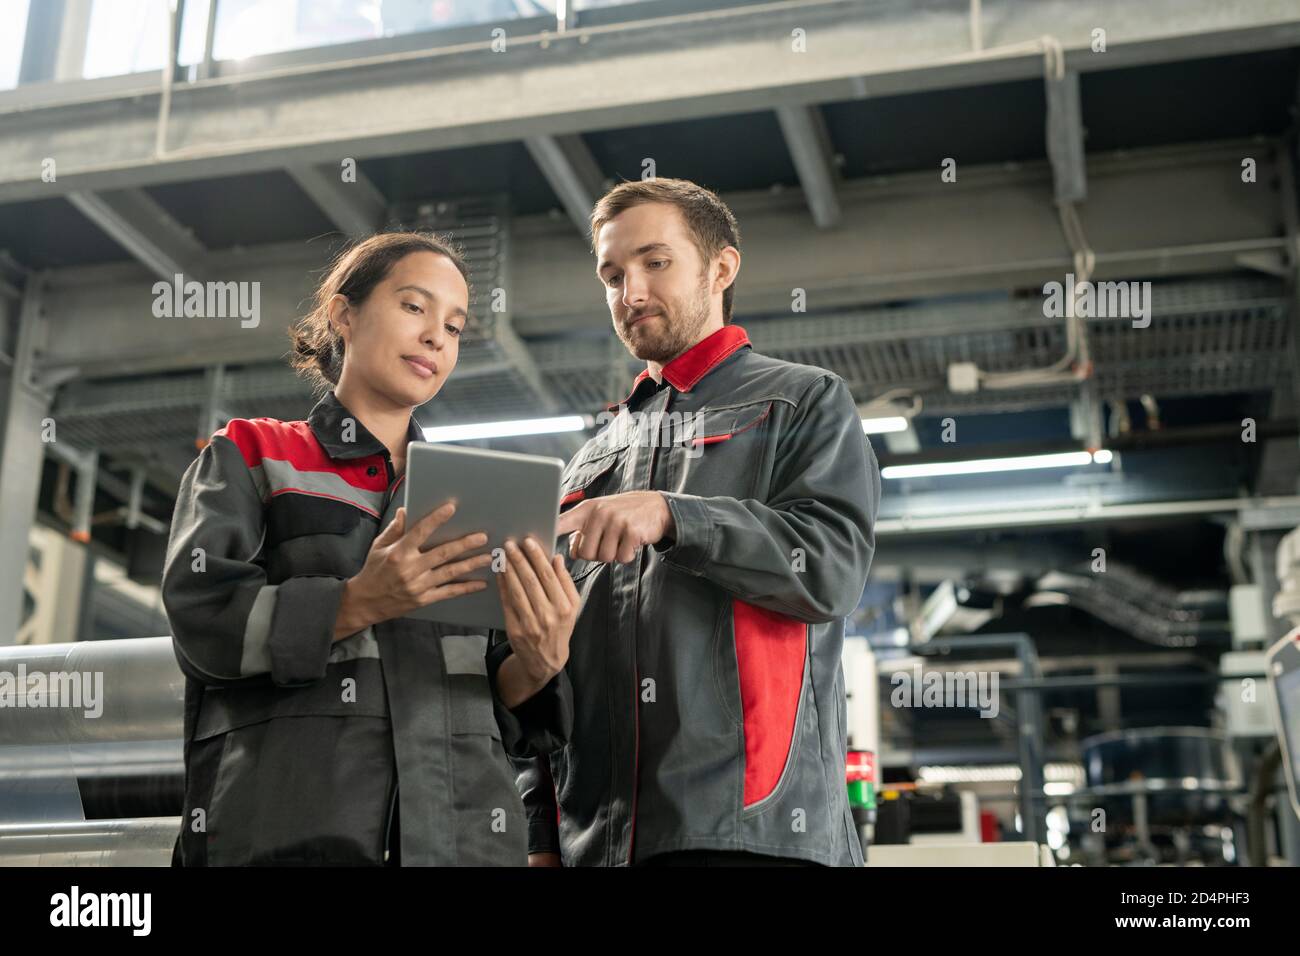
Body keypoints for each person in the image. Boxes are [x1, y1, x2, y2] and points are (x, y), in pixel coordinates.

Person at [160, 231, 579, 866]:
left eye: (456, 326)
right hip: (287, 835)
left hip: (462, 845)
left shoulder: (482, 497)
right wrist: (356, 601)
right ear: (344, 315)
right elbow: (203, 621)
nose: (438, 337)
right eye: (415, 307)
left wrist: (539, 661)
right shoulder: (253, 454)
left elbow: (502, 702)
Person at [514, 179, 881, 866]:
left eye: (656, 262)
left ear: (720, 269)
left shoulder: (800, 402)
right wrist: (540, 831)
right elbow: (546, 663)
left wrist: (675, 515)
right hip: (596, 842)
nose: (631, 292)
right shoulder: (587, 463)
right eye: (613, 274)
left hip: (756, 833)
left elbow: (828, 570)